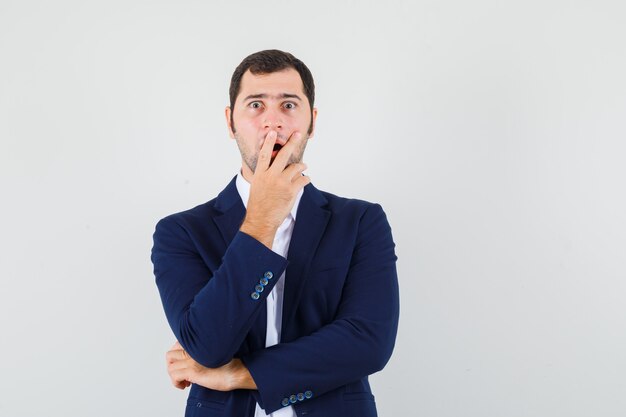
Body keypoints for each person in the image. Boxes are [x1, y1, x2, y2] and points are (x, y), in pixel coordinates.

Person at [151, 49, 399, 417]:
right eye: (255, 105)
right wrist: (260, 221)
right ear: (230, 122)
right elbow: (206, 345)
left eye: (288, 105)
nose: (272, 123)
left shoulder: (361, 221)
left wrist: (239, 374)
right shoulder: (181, 232)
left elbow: (368, 343)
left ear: (311, 122)